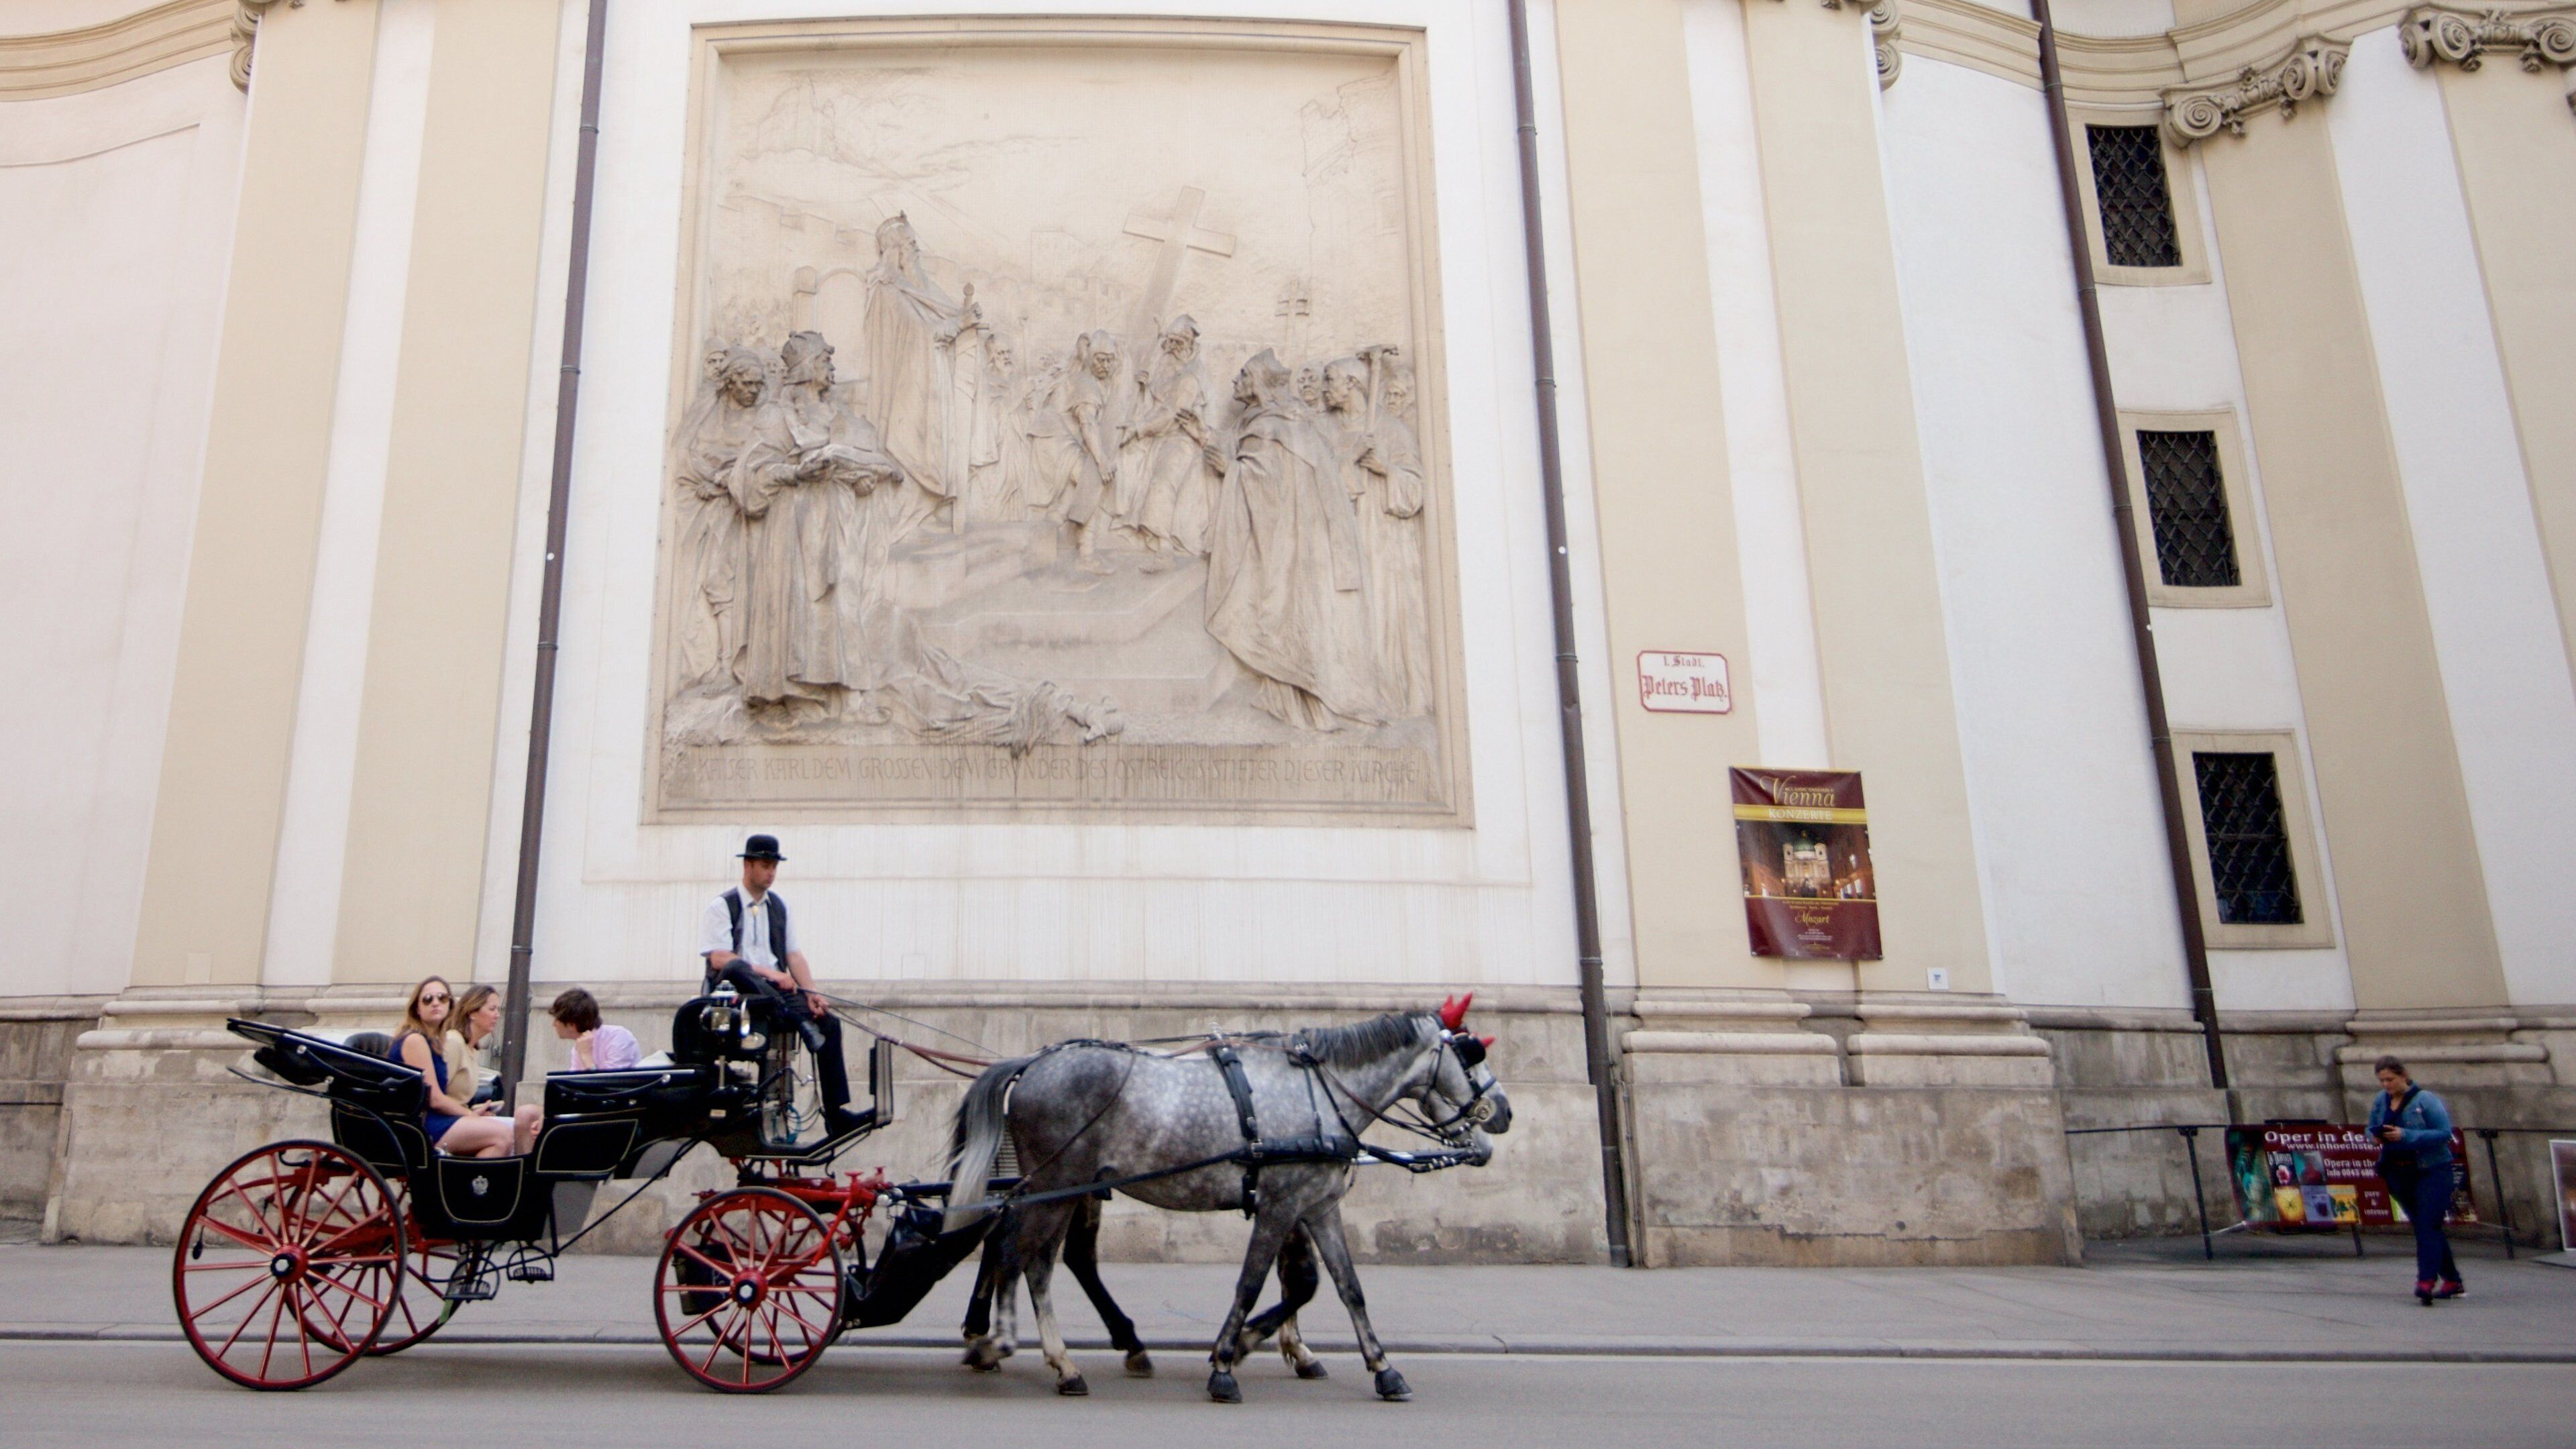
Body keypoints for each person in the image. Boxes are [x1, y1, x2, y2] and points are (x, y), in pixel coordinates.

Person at [698, 834, 867, 1136]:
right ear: (748, 865)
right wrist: (771, 974)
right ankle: (796, 1022)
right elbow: (719, 958)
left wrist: (812, 993)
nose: (771, 873)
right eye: (765, 865)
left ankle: (836, 1115)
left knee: (828, 1023)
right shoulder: (723, 905)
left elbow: (793, 955)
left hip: (775, 995)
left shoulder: (779, 906)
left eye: (774, 866)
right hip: (740, 996)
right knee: (737, 966)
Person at [391, 977, 537, 1159]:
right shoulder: (415, 1040)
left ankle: (477, 1184)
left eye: (442, 998)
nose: (436, 1003)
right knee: (501, 1135)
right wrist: (469, 1114)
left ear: (450, 1005)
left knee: (503, 1134)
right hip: (422, 1122)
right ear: (417, 1009)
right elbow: (435, 1099)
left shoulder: (435, 1042)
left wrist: (472, 1113)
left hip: (434, 1119)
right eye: (428, 999)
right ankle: (472, 1185)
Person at [2369, 1055, 2463, 1304]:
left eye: (2390, 1079)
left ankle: (2426, 1281)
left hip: (2432, 1169)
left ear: (2403, 1075)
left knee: (2428, 1224)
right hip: (2398, 1171)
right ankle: (2452, 1279)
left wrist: (2407, 1135)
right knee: (2424, 1224)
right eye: (2382, 1081)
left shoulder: (2426, 1100)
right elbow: (2371, 1126)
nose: (2386, 1085)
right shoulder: (2381, 1100)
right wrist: (2376, 1137)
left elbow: (2444, 1133)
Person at [551, 987, 641, 1071]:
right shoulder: (579, 1047)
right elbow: (575, 1083)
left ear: (571, 1025)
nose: (553, 1025)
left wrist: (586, 1055)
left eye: (556, 1020)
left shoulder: (618, 1038)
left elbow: (611, 1083)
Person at [447, 983, 502, 1106]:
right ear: (472, 1013)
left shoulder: (473, 1049)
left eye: (498, 1010)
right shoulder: (453, 1042)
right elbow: (437, 1095)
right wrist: (470, 1116)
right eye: (492, 1009)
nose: (497, 1015)